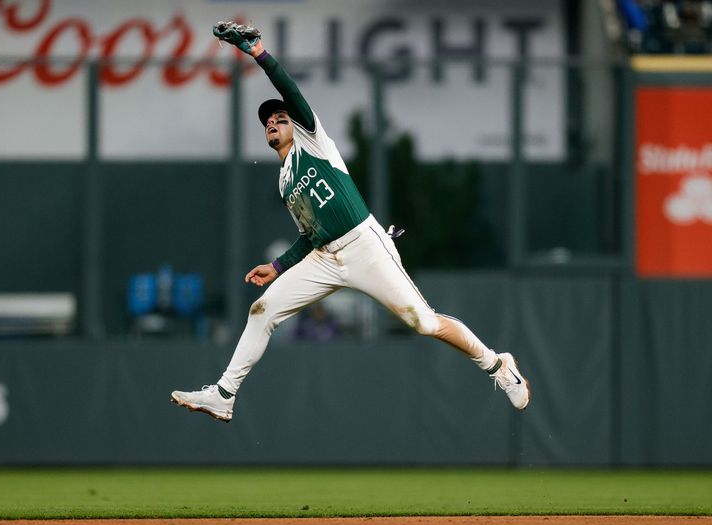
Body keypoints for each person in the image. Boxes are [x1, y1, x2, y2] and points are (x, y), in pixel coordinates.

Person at [171, 23, 530, 422]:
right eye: (268, 121)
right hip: (325, 257)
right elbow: (309, 235)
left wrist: (259, 54)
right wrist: (276, 267)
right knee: (263, 309)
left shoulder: (313, 141)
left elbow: (292, 93)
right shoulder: (285, 178)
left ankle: (498, 366)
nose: (273, 121)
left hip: (364, 246)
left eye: (280, 118)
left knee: (424, 323)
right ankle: (224, 394)